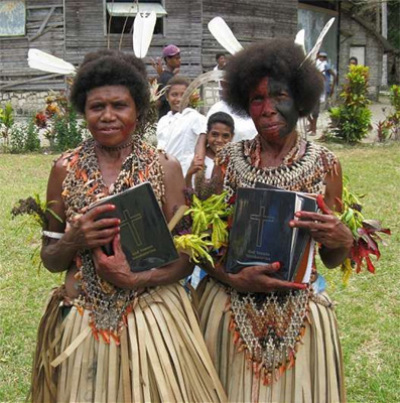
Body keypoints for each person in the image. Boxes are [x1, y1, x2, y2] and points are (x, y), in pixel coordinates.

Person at [30, 50, 226, 402]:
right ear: (83, 110)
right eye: (96, 107)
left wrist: (139, 279)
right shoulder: (63, 168)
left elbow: (187, 258)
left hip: (153, 321)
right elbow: (51, 259)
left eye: (119, 106)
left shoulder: (164, 166)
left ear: (138, 108)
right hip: (82, 321)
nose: (108, 116)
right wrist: (74, 239)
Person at [198, 39, 353, 402]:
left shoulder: (326, 165)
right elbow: (201, 246)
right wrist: (232, 277)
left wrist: (341, 240)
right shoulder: (228, 160)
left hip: (299, 321)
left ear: (300, 99)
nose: (267, 109)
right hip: (229, 315)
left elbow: (330, 258)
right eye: (256, 99)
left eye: (279, 96)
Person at [185, 111, 234, 288]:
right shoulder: (200, 160)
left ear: (232, 137)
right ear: (208, 135)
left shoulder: (235, 161)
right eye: (214, 134)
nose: (219, 140)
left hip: (225, 223)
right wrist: (189, 173)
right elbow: (189, 191)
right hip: (201, 222)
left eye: (225, 136)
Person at [156, 76, 207, 176]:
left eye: (183, 95)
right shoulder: (163, 120)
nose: (179, 99)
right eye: (174, 95)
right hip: (163, 173)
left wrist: (198, 168)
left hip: (185, 172)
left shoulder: (195, 117)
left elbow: (202, 141)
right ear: (167, 97)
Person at [308, 51, 337, 135]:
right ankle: (312, 125)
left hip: (321, 89)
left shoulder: (325, 65)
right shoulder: (314, 64)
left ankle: (314, 130)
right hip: (313, 88)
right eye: (320, 57)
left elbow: (334, 75)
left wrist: (332, 87)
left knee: (315, 109)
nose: (321, 59)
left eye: (323, 57)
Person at [154, 44, 181, 119]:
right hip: (167, 118)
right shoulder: (167, 78)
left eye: (179, 58)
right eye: (177, 58)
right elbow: (161, 101)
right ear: (168, 60)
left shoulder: (168, 76)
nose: (179, 60)